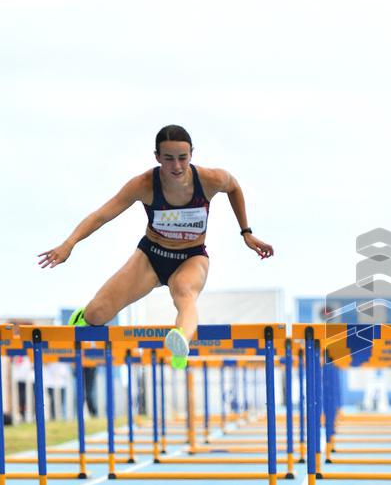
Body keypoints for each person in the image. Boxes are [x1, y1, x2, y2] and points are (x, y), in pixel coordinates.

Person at [38, 125, 274, 369]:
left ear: (191, 154)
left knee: (184, 292)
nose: (177, 166)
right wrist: (69, 244)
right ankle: (84, 315)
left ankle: (181, 343)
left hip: (191, 257)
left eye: (183, 158)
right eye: (169, 159)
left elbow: (234, 187)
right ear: (157, 157)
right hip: (151, 256)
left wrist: (246, 232)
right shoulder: (143, 184)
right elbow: (101, 215)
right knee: (98, 314)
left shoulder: (211, 179)